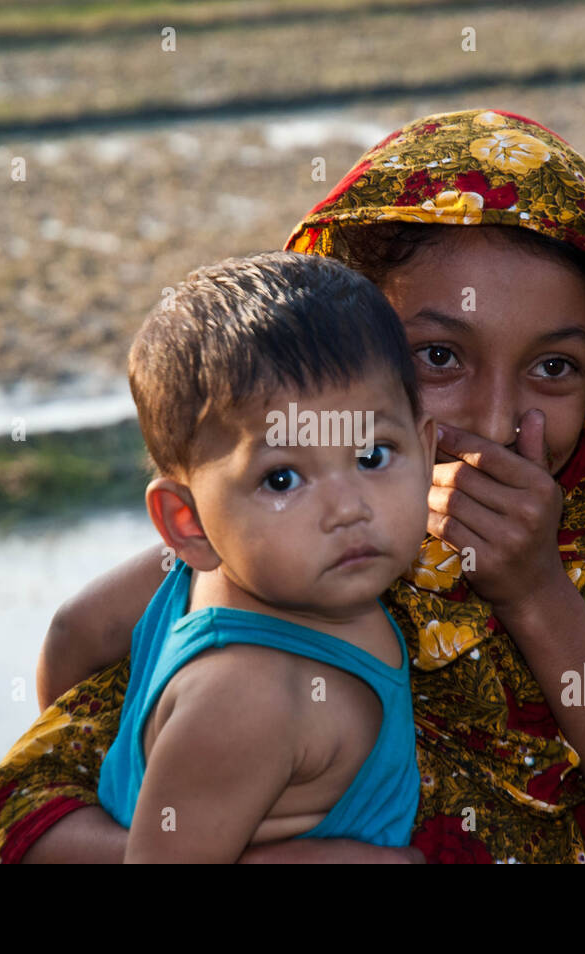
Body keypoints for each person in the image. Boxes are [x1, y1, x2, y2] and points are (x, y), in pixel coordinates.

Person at [0, 107, 585, 864]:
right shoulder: (261, 573)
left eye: (552, 368)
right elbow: (18, 820)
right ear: (352, 358)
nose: (492, 420)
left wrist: (537, 594)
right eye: (440, 357)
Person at [94, 252, 433, 861]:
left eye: (373, 455)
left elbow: (72, 628)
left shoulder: (187, 583)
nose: (349, 508)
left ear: (426, 451)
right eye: (282, 480)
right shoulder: (250, 699)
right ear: (187, 522)